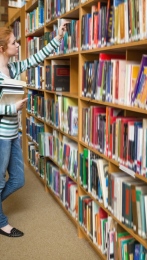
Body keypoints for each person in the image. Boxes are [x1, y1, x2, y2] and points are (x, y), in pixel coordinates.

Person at [0, 23, 67, 237]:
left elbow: (34, 59)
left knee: (18, 179)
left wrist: (57, 38)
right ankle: (1, 222)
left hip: (14, 134)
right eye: (13, 43)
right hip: (1, 136)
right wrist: (13, 107)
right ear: (2, 47)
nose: (18, 45)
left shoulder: (11, 68)